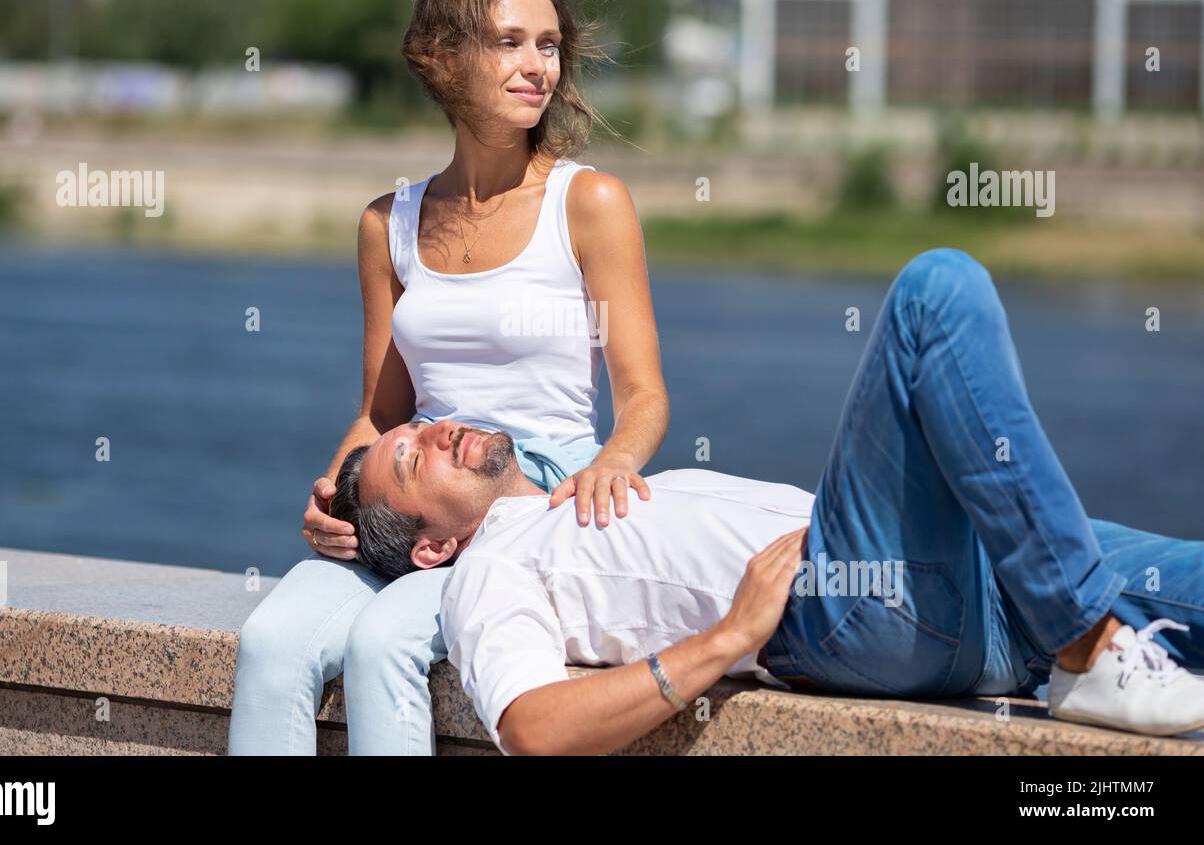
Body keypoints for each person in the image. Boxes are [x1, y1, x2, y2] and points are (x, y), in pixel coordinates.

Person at [335, 247, 1204, 755]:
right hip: (845, 606)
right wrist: (726, 641)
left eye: (427, 424)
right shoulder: (491, 571)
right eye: (412, 462)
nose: (438, 431)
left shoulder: (574, 490)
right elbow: (533, 729)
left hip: (978, 584)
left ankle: (1083, 641)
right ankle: (1090, 651)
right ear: (429, 549)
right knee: (935, 292)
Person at [228, 0, 669, 755]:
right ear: (445, 56)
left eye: (548, 46)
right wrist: (335, 493)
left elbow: (644, 396)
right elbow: (379, 413)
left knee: (384, 642)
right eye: (510, 43)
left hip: (530, 500)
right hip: (414, 490)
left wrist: (613, 463)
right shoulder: (386, 225)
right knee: (272, 642)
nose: (538, 66)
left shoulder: (591, 203)